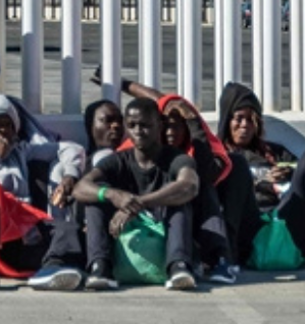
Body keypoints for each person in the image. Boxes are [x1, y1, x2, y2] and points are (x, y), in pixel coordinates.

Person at [0, 93, 87, 290]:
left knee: (65, 228)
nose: (2, 131)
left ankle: (50, 268)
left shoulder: (19, 151)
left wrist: (70, 175)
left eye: (8, 125)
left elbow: (72, 149)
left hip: (19, 238)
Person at [102, 74, 237, 283]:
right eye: (166, 126)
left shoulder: (190, 153)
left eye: (178, 126)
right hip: (141, 220)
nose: (171, 132)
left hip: (185, 226)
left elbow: (205, 174)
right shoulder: (138, 150)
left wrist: (194, 123)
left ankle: (219, 259)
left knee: (202, 188)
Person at [72, 98, 200, 291]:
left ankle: (178, 267)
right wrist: (113, 195)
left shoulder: (176, 158)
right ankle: (100, 268)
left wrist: (138, 203)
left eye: (145, 125)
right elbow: (80, 188)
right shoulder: (117, 160)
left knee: (179, 201)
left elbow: (189, 185)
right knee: (96, 199)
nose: (138, 131)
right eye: (132, 125)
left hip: (162, 231)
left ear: (159, 124)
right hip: (125, 233)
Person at [215, 81, 305, 264]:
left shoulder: (274, 151)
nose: (245, 125)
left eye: (251, 119)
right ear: (227, 120)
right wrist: (261, 183)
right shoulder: (218, 156)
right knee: (238, 164)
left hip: (282, 217)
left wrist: (288, 173)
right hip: (248, 222)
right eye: (239, 118)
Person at [82, 99, 125, 168]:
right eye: (108, 120)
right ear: (90, 125)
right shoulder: (76, 164)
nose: (116, 125)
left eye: (120, 120)